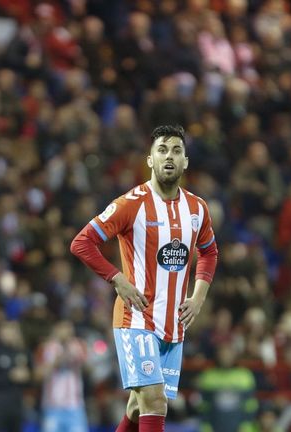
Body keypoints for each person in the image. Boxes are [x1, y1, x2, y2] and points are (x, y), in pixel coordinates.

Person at [71, 125, 219, 432]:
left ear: (185, 162)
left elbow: (209, 252)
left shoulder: (197, 208)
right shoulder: (131, 203)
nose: (169, 156)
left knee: (138, 408)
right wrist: (118, 280)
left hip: (173, 324)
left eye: (176, 151)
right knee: (155, 402)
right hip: (136, 320)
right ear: (149, 160)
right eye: (162, 150)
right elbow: (82, 243)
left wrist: (199, 296)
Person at [38, 320, 89, 432]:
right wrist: (57, 361)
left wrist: (79, 358)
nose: (66, 331)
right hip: (53, 405)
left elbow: (88, 370)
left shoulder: (78, 345)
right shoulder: (47, 347)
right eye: (63, 328)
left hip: (75, 405)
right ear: (56, 330)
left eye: (69, 328)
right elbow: (39, 374)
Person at [0, 321, 30, 432]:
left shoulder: (23, 352)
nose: (11, 333)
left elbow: (32, 376)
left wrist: (28, 376)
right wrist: (9, 376)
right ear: (0, 333)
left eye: (13, 330)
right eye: (7, 330)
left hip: (17, 404)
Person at [197, 344, 258, 432]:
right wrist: (206, 424)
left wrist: (246, 424)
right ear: (218, 356)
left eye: (228, 354)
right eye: (223, 355)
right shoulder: (208, 376)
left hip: (240, 426)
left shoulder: (245, 375)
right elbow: (204, 405)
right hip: (215, 424)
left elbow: (250, 404)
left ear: (234, 356)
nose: (225, 357)